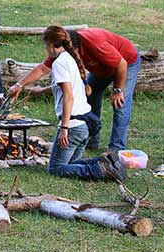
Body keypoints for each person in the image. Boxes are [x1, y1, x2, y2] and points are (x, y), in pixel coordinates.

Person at [8, 26, 140, 154]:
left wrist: (117, 91)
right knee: (89, 98)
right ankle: (91, 140)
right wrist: (19, 85)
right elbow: (43, 69)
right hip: (101, 69)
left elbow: (121, 64)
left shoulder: (94, 44)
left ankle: (116, 149)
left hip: (126, 63)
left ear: (74, 48)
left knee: (120, 105)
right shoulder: (62, 47)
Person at [26, 26, 127, 181]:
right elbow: (68, 87)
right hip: (85, 125)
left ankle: (101, 171)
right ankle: (108, 163)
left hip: (74, 127)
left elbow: (68, 96)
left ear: (52, 45)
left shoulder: (59, 63)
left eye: (46, 46)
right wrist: (41, 91)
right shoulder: (72, 58)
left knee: (56, 169)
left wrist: (64, 128)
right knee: (71, 164)